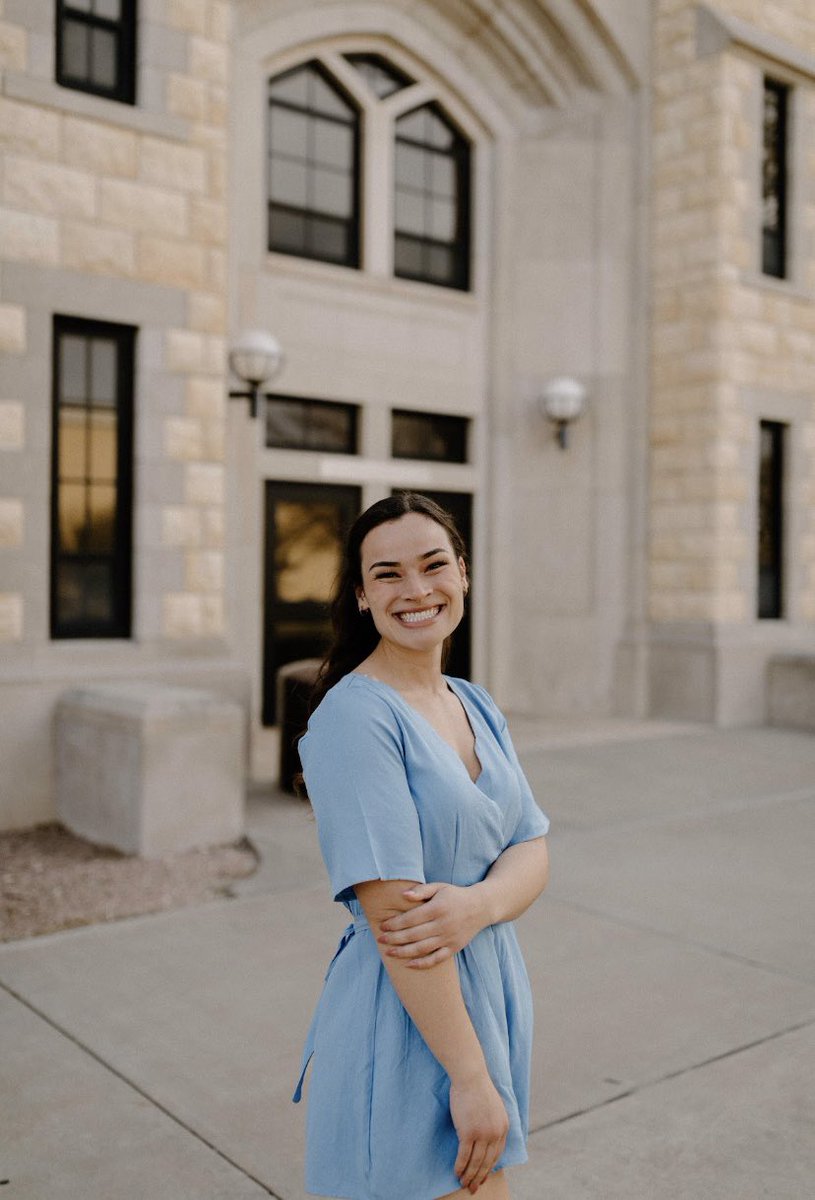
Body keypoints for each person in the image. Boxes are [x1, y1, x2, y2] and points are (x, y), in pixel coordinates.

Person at [292, 492, 550, 1200]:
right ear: (361, 595)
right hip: (409, 1025)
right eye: (387, 574)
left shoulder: (475, 702)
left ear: (463, 572)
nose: (416, 589)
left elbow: (533, 847)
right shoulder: (354, 717)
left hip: (484, 1003)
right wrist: (468, 1078)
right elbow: (398, 919)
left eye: (433, 565)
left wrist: (477, 906)